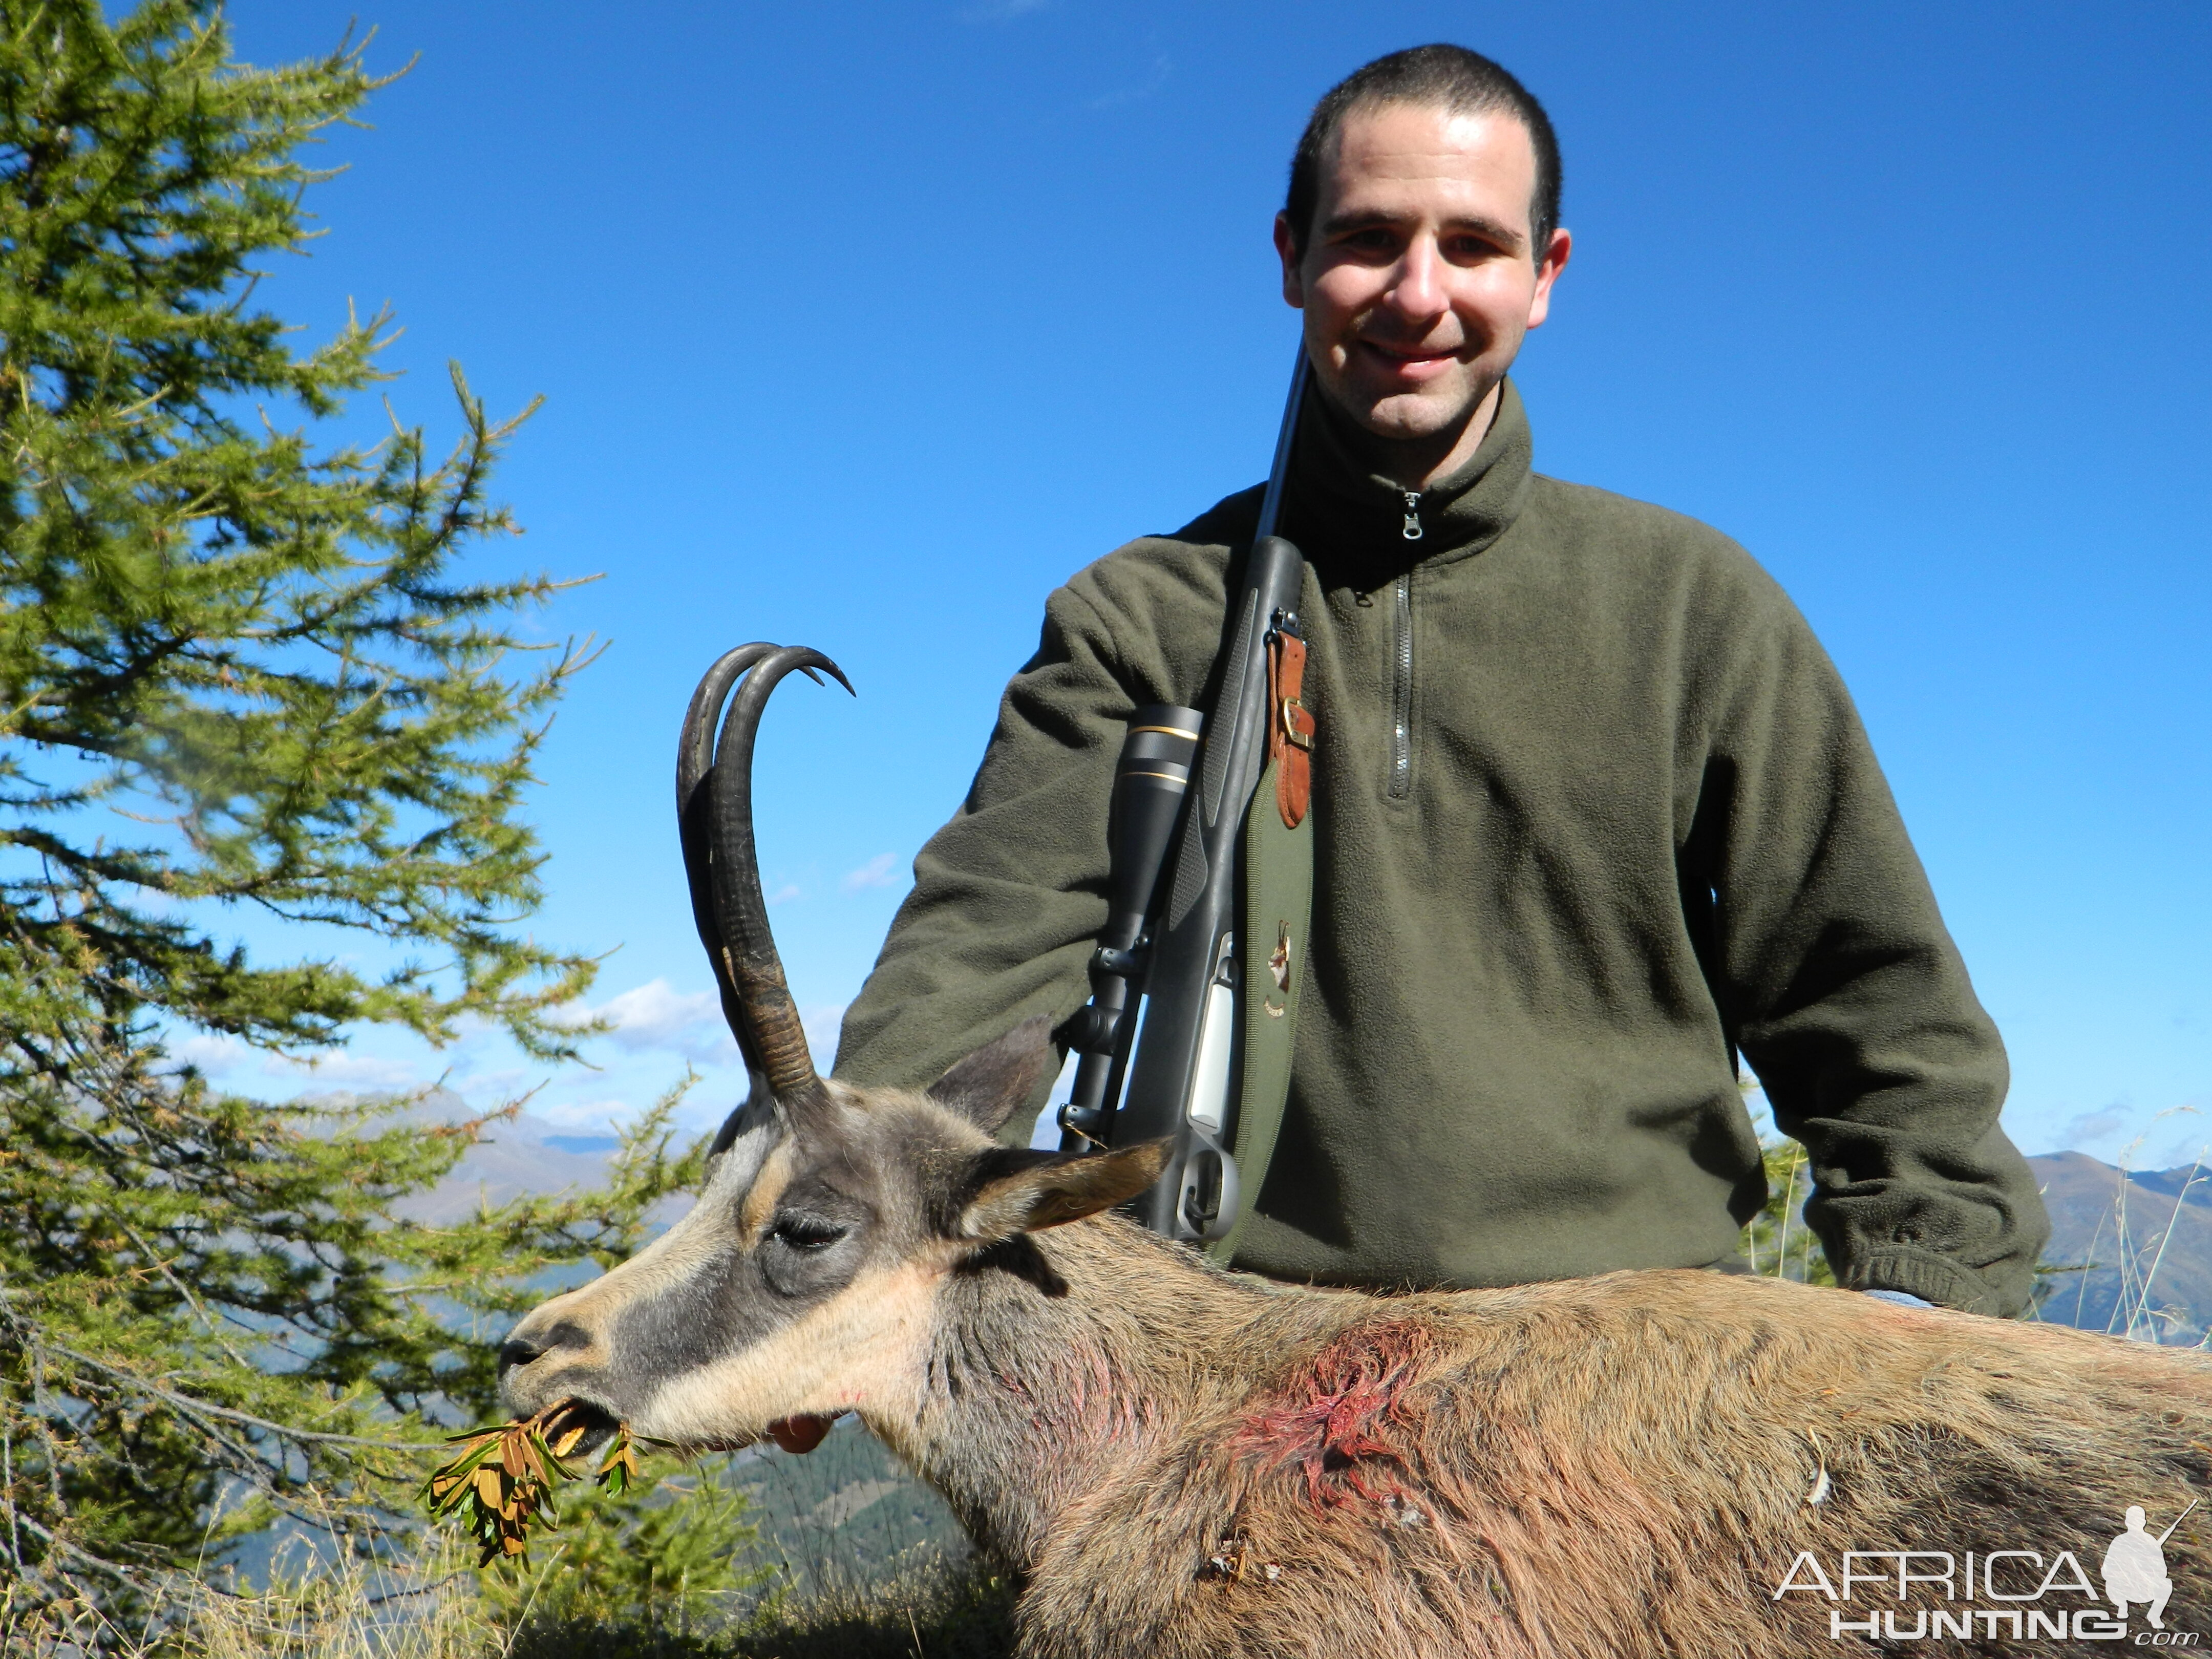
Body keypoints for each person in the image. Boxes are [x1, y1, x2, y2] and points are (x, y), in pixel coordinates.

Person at [832, 44, 2049, 1316]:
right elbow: (984, 938)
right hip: (1251, 1351)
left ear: (1544, 276)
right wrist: (845, 1214)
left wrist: (1931, 1303)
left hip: (1646, 1354)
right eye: (1368, 239)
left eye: (1472, 245)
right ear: (1292, 255)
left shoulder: (1694, 605)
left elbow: (1872, 1001)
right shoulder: (1144, 611)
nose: (1419, 293)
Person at [2102, 1506, 2174, 1628]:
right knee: (2166, 1584)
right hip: (2132, 1590)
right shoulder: (2124, 1541)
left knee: (2166, 1583)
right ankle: (2124, 1607)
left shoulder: (2120, 1541)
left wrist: (2144, 1570)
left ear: (2126, 1522)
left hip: (2134, 1591)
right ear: (2144, 1522)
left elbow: (2106, 1570)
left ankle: (2147, 1614)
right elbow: (2163, 1572)